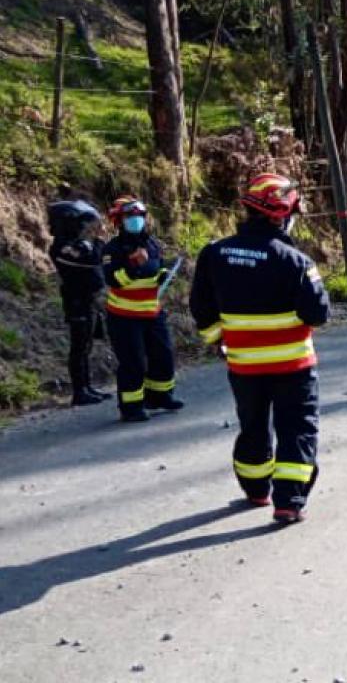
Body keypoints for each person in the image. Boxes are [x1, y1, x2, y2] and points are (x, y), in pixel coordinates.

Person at [190, 173, 330, 524]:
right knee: (296, 428)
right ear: (282, 214)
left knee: (252, 426)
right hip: (293, 366)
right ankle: (289, 501)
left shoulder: (214, 253)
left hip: (243, 366)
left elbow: (201, 306)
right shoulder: (296, 262)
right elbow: (318, 313)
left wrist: (217, 341)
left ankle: (255, 490)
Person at [102, 196, 183, 422]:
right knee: (134, 362)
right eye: (130, 216)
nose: (136, 220)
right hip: (124, 316)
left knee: (163, 355)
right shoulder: (112, 249)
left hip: (152, 312)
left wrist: (164, 273)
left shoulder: (152, 244)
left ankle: (159, 396)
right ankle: (131, 407)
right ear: (119, 221)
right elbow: (114, 280)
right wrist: (133, 266)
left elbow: (157, 267)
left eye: (139, 216)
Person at [49, 198, 111, 406]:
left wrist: (94, 243)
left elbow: (99, 261)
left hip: (88, 300)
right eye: (82, 224)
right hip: (76, 301)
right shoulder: (61, 247)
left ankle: (87, 386)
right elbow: (90, 261)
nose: (85, 228)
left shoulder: (79, 244)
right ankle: (79, 391)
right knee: (79, 347)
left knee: (86, 346)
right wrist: (95, 243)